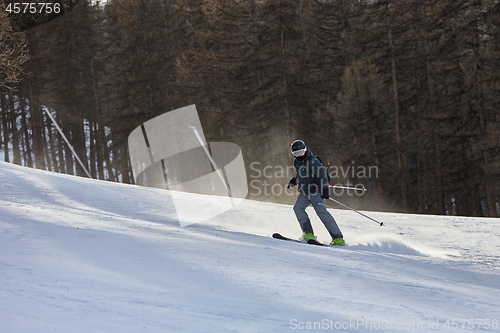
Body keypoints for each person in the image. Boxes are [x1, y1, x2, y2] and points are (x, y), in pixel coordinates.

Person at [287, 140, 345, 245]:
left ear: (305, 150)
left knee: (321, 212)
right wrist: (294, 180)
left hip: (317, 191)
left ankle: (338, 238)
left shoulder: (313, 161)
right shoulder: (296, 162)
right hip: (304, 192)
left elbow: (322, 176)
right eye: (295, 153)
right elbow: (299, 174)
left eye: (300, 152)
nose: (298, 155)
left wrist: (325, 189)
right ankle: (308, 233)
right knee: (297, 208)